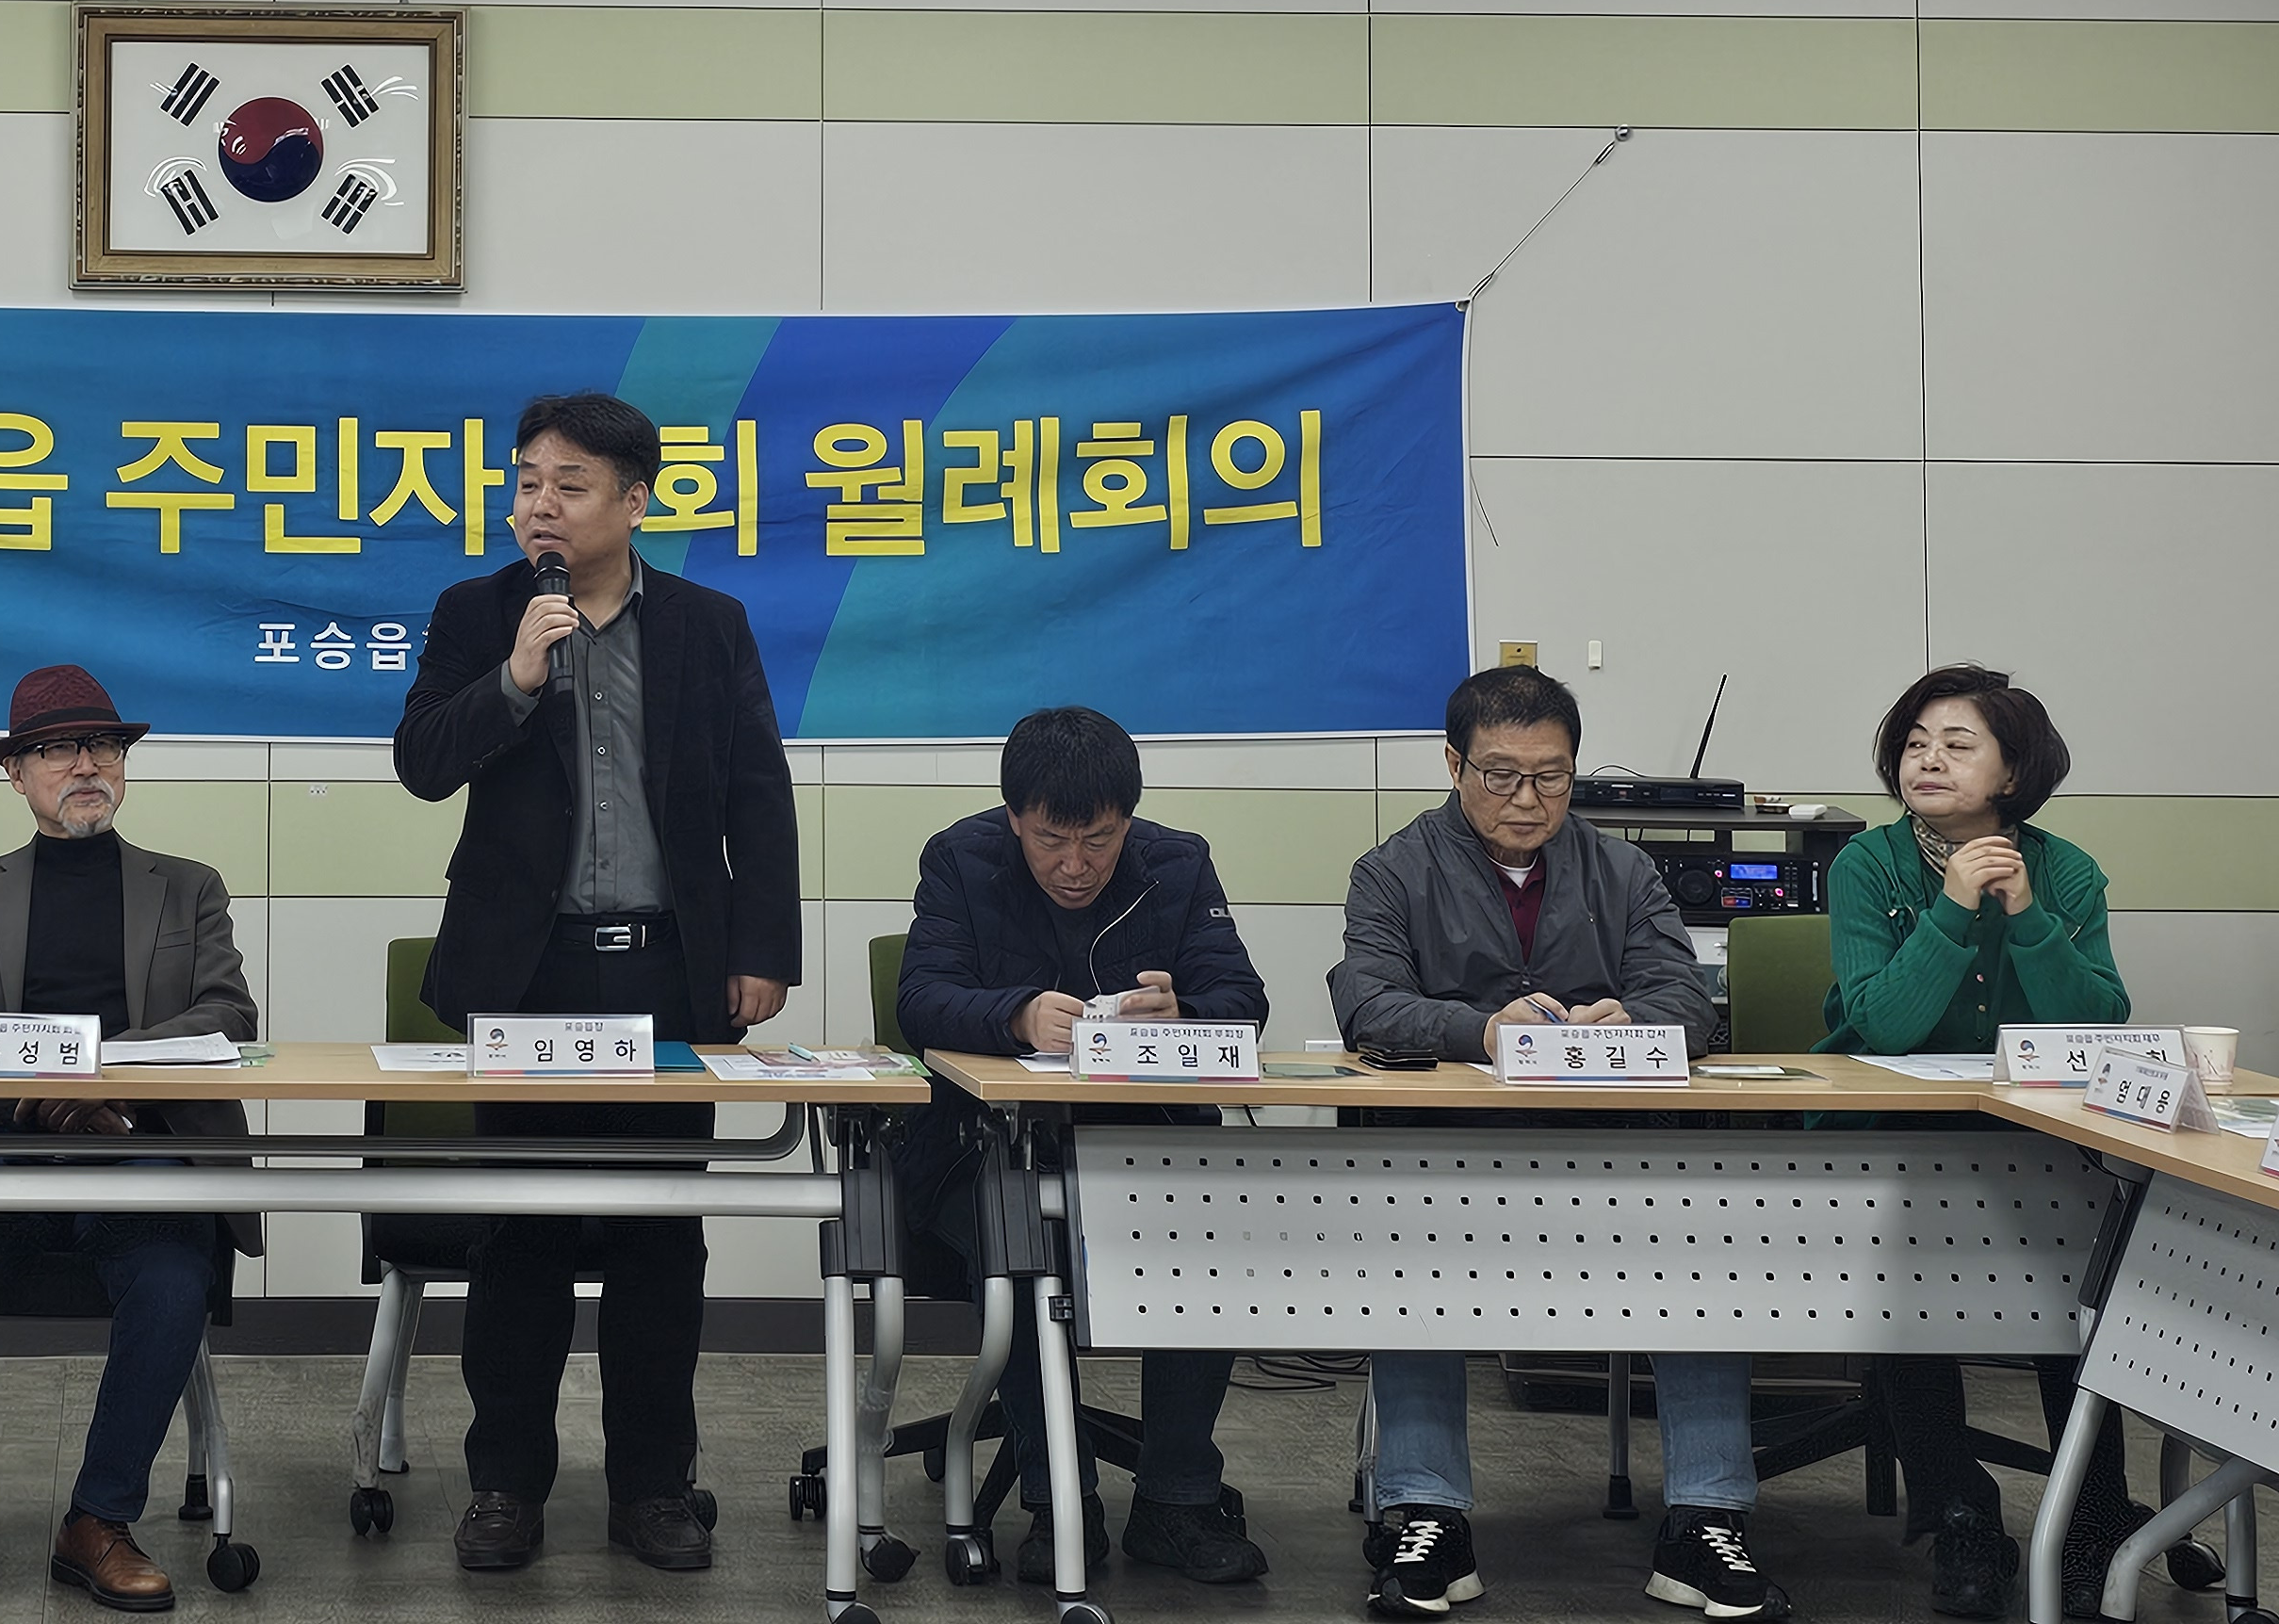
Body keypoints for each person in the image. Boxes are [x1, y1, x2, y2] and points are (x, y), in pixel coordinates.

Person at [394, 391, 803, 1579]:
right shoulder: (476, 613)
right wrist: (515, 676)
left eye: (568, 485)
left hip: (667, 971)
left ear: (634, 500)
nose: (540, 505)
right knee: (517, 1236)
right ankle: (505, 1487)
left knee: (658, 1243)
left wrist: (761, 948)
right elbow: (421, 762)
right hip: (527, 976)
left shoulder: (708, 626)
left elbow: (757, 794)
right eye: (527, 482)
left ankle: (654, 1488)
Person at [1330, 665, 1782, 1624]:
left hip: (1617, 1152)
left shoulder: (1622, 871)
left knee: (1710, 1247)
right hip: (1447, 1152)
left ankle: (1706, 1519)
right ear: (1453, 765)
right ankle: (1426, 1514)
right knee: (1405, 1252)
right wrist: (1482, 1032)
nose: (1527, 800)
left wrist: (1633, 1024)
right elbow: (1367, 1005)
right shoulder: (1393, 870)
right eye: (1500, 775)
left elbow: (1686, 1002)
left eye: (1551, 776)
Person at [0, 667, 259, 1619]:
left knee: (174, 1272)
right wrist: (37, 1100)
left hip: (136, 1143)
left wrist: (102, 1081)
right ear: (16, 775)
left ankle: (99, 1521)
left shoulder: (189, 887)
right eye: (58, 750)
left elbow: (226, 1012)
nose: (87, 765)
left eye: (105, 747)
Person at [894, 706, 1272, 1586]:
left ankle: (1176, 1504)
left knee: (1211, 1236)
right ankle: (1060, 1505)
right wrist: (1017, 1015)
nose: (1075, 865)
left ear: (1128, 822)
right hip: (982, 1154)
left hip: (1146, 1149)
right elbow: (921, 999)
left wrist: (1184, 1014)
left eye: (1098, 841)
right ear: (1014, 819)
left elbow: (1243, 1003)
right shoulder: (960, 858)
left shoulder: (1177, 864)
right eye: (1050, 841)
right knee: (1026, 1241)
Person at [1820, 666, 2137, 1619]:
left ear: (2012, 773)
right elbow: (1884, 1024)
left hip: (2038, 1136)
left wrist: (2024, 913)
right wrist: (1954, 905)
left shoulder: (2066, 870)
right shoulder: (1868, 864)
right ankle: (1960, 1512)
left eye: (1957, 745)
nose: (1927, 760)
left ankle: (2092, 1524)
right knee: (1908, 1302)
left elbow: (2099, 1025)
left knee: (2074, 1307)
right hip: (1896, 1133)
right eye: (1915, 743)